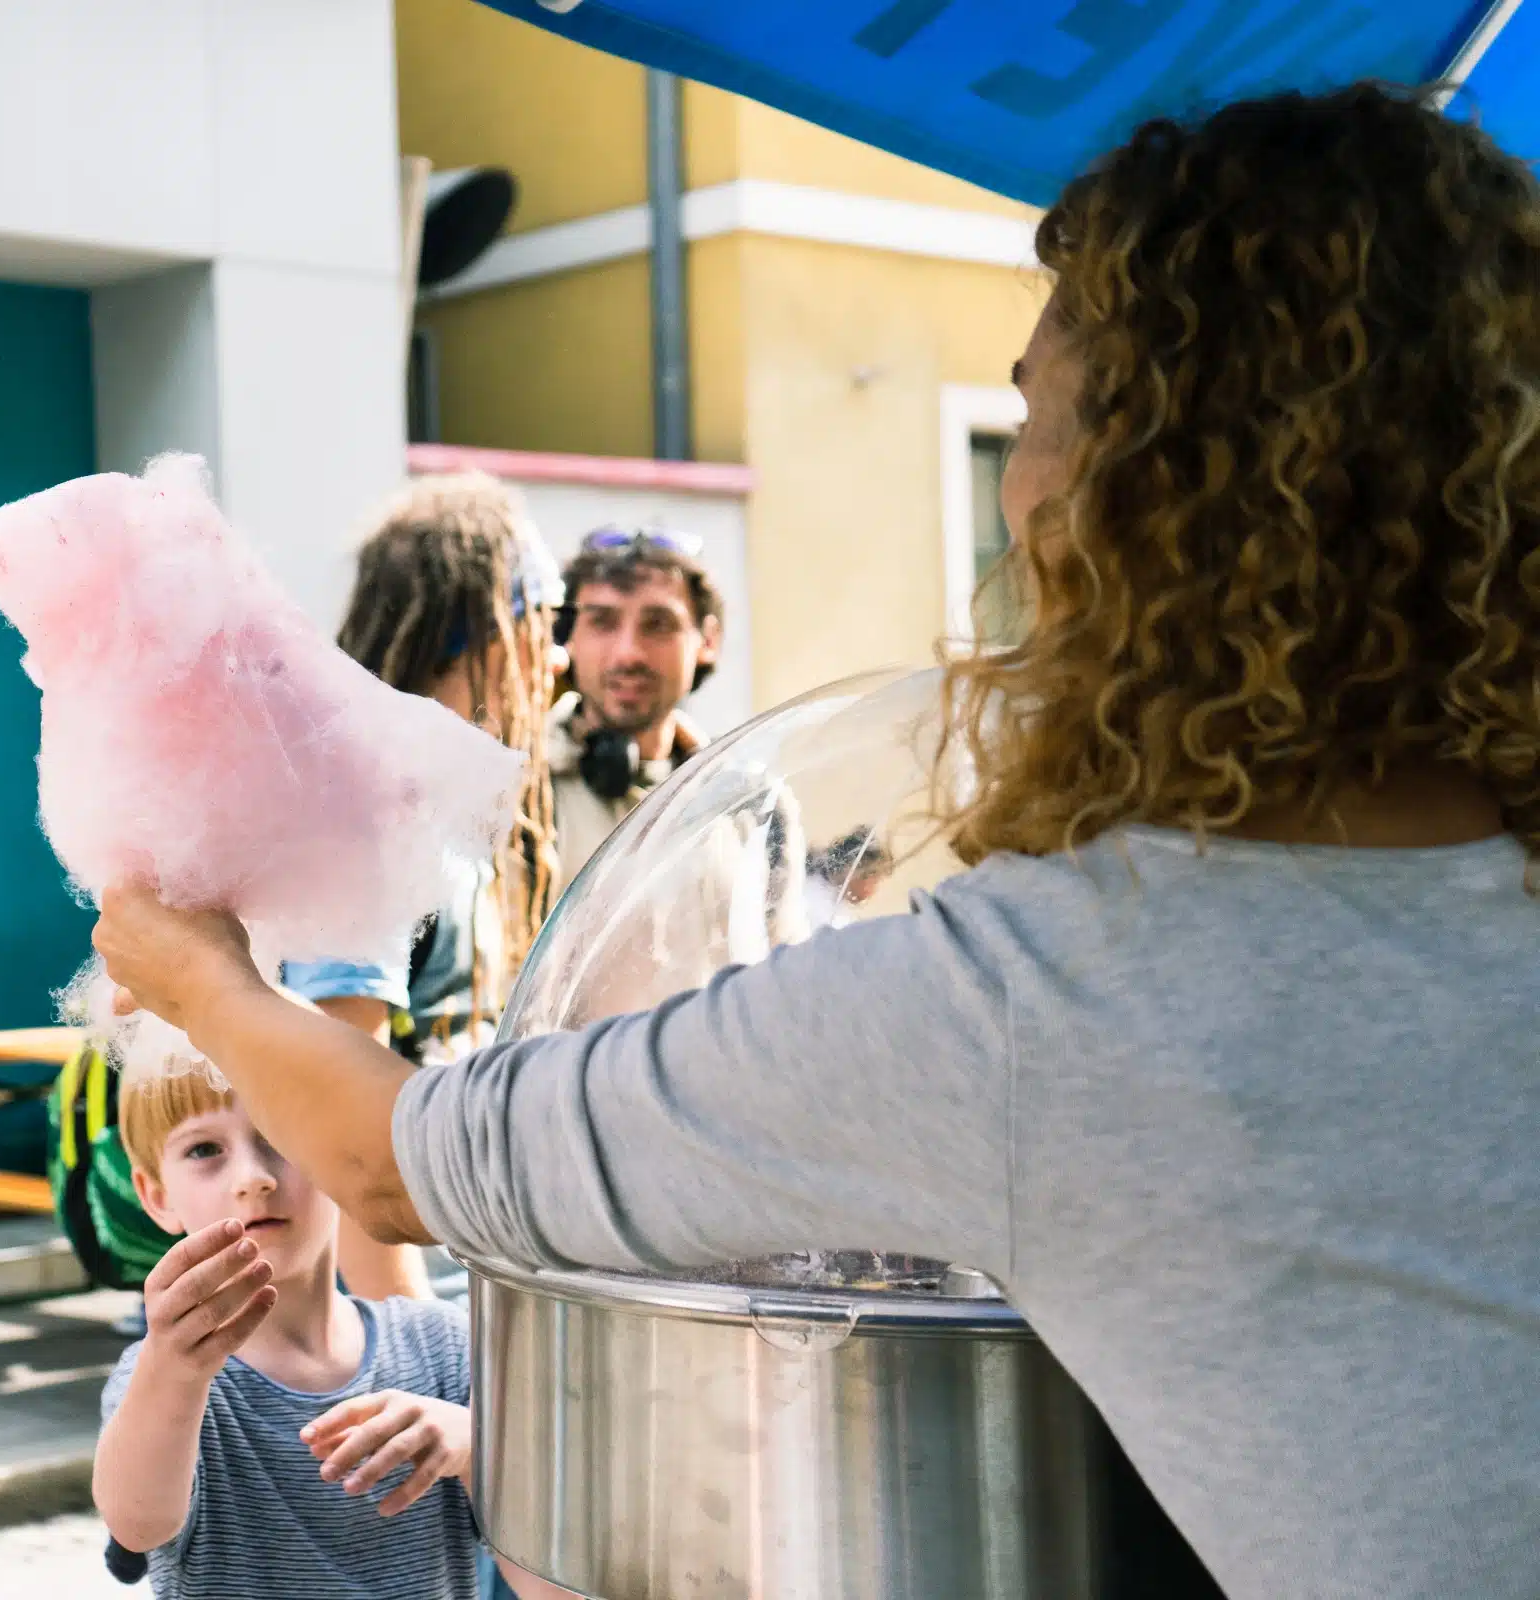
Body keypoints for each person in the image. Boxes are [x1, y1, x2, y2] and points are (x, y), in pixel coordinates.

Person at [91, 84, 1540, 1600]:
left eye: (1036, 418)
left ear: (1153, 501)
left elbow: (407, 1171)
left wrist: (193, 976)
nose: (1021, 488)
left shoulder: (1053, 1001)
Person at [93, 1063, 567, 1599]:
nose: (253, 1177)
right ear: (156, 1195)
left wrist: (475, 1448)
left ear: (342, 1157)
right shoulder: (159, 1378)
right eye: (204, 1150)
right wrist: (171, 1367)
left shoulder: (443, 1347)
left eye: (282, 1133)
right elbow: (137, 1525)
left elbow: (556, 1587)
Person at [281, 472, 563, 1302]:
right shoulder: (371, 818)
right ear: (473, 637)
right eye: (538, 626)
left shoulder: (442, 809)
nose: (554, 656)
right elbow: (344, 1113)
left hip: (463, 1273)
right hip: (401, 1304)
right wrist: (408, 1334)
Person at [549, 526, 726, 882]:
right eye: (602, 622)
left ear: (708, 641)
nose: (628, 652)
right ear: (566, 636)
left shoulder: (749, 802)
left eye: (658, 625)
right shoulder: (513, 789)